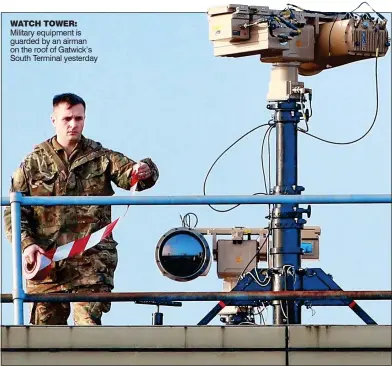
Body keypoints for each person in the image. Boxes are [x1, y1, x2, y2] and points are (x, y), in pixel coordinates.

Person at [3, 93, 159, 326]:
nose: (73, 124)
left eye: (79, 118)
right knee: (44, 340)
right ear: (54, 120)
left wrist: (146, 169)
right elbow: (13, 212)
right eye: (67, 118)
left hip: (91, 263)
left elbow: (132, 176)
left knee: (88, 334)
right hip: (48, 266)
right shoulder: (33, 163)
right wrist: (27, 244)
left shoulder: (101, 158)